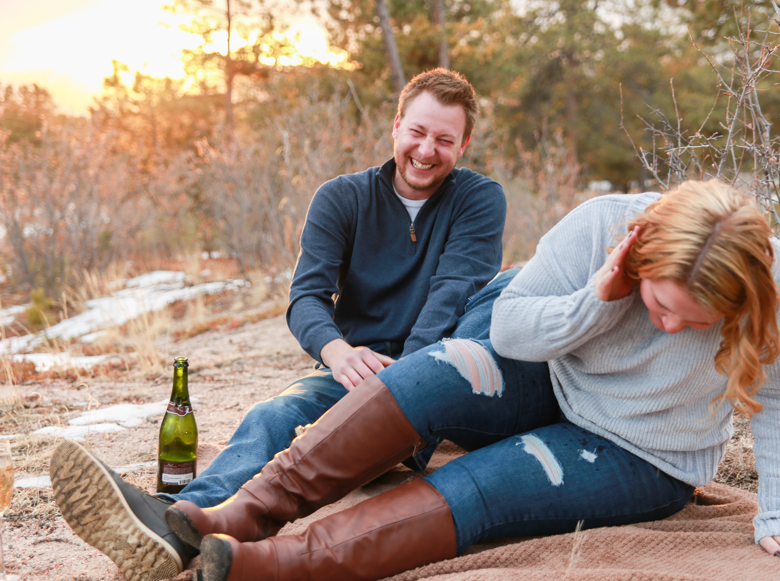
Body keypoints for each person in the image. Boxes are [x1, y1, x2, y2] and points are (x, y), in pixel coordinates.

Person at [154, 179, 780, 581]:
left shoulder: (775, 283)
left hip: (642, 453)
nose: (672, 330)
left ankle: (272, 566)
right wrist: (598, 299)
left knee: (479, 484)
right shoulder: (602, 224)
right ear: (640, 261)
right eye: (662, 306)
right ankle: (240, 514)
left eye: (698, 322)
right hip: (558, 377)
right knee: (440, 368)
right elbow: (509, 329)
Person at [48, 68, 507, 581]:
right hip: (349, 372)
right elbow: (307, 297)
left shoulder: (478, 200)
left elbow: (451, 296)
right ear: (396, 126)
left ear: (463, 145)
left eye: (444, 140)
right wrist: (337, 352)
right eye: (418, 132)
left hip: (437, 381)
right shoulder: (342, 198)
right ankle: (170, 528)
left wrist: (401, 385)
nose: (426, 150)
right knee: (274, 415)